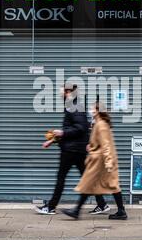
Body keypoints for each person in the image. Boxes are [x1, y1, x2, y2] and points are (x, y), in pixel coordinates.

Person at [35, 84, 109, 215]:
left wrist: (62, 133)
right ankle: (102, 204)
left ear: (68, 92)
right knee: (88, 178)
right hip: (75, 149)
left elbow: (80, 128)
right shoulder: (72, 106)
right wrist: (52, 140)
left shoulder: (74, 107)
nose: (60, 93)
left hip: (72, 151)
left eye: (62, 90)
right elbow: (76, 128)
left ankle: (51, 206)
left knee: (61, 179)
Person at [62, 101, 127, 220]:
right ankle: (120, 211)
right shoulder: (100, 123)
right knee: (104, 185)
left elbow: (106, 145)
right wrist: (91, 146)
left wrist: (108, 162)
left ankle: (77, 210)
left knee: (91, 184)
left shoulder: (101, 125)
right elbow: (100, 142)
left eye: (93, 108)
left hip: (101, 162)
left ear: (98, 111)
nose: (91, 110)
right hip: (101, 160)